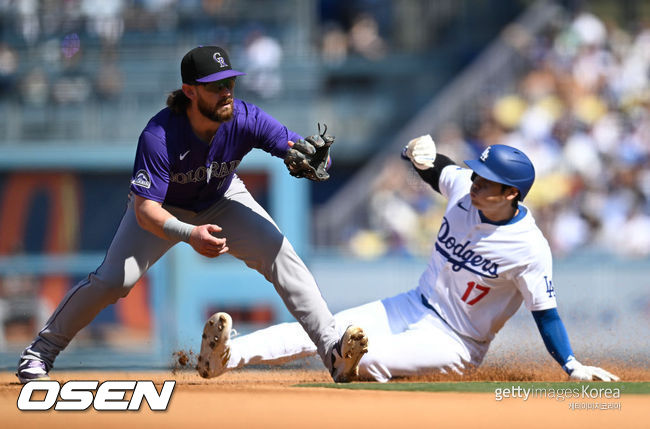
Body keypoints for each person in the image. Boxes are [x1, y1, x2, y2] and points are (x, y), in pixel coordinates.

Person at [16, 45, 368, 384]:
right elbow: (144, 211)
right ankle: (39, 352)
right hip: (163, 208)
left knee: (282, 255)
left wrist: (315, 158)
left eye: (230, 83)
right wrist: (188, 233)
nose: (227, 92)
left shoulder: (246, 118)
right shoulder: (159, 135)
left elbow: (301, 148)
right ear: (190, 91)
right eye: (216, 87)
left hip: (222, 196)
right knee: (112, 281)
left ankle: (333, 351)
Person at [196, 137, 619, 382]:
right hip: (412, 303)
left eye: (487, 182)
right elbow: (441, 168)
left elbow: (546, 315)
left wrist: (571, 365)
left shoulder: (529, 248)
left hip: (456, 341)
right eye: (476, 174)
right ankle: (225, 358)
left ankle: (345, 366)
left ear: (511, 194)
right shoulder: (464, 189)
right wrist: (419, 153)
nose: (475, 183)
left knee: (369, 355)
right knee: (320, 327)